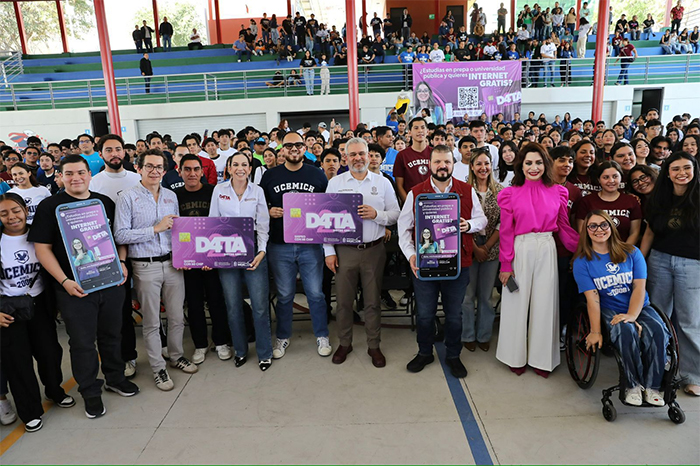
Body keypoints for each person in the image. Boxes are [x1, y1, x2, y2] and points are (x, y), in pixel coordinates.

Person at [30, 154, 139, 418]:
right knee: (82, 343)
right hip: (74, 289)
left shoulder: (104, 202)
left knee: (112, 335)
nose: (76, 178)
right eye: (69, 173)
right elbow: (42, 249)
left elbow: (118, 238)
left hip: (110, 282)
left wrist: (122, 261)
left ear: (90, 175)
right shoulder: (50, 206)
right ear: (60, 176)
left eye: (81, 172)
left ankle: (115, 378)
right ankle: (90, 392)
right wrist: (64, 281)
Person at [397, 145, 487, 378]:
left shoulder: (466, 190)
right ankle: (424, 352)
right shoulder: (416, 192)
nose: (442, 166)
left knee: (454, 314)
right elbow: (403, 228)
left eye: (446, 162)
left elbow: (482, 220)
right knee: (425, 314)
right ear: (430, 164)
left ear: (453, 164)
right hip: (425, 264)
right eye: (437, 162)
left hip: (458, 264)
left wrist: (469, 225)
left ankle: (453, 355)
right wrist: (412, 255)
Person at [115, 149, 198, 392]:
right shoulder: (127, 197)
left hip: (173, 263)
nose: (154, 171)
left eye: (159, 167)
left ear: (165, 170)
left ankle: (176, 356)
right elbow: (120, 235)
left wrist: (187, 254)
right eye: (149, 166)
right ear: (138, 168)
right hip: (145, 265)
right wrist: (155, 229)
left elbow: (179, 231)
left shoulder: (171, 196)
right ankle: (158, 368)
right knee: (151, 322)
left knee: (176, 316)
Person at [496, 143, 579, 377]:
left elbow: (564, 227)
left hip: (547, 247)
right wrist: (506, 264)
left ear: (546, 164)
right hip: (520, 247)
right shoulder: (510, 194)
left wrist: (583, 249)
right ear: (521, 166)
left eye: (539, 162)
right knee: (516, 302)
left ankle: (542, 359)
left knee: (545, 303)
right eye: (529, 163)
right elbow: (506, 232)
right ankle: (514, 356)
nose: (534, 167)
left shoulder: (558, 192)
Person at [574, 210, 669, 406]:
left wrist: (632, 315)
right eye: (593, 226)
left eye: (604, 225)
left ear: (611, 227)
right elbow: (593, 299)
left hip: (639, 305)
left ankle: (653, 386)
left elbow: (639, 287)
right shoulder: (582, 262)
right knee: (625, 330)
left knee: (658, 330)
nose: (599, 230)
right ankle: (632, 385)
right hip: (609, 308)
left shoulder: (632, 252)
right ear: (586, 230)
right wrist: (595, 331)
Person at [0, 193, 76, 433]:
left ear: (25, 210)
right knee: (18, 362)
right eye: (4, 213)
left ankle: (55, 391)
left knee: (50, 352)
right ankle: (30, 411)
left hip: (41, 304)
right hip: (8, 310)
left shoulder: (40, 234)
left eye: (16, 210)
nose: (12, 217)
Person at [324, 138, 400, 367]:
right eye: (353, 154)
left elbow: (395, 213)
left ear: (369, 156)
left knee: (373, 302)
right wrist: (329, 251)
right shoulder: (335, 183)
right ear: (345, 158)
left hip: (373, 250)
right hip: (344, 250)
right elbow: (325, 220)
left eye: (362, 154)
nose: (358, 158)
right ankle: (345, 343)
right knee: (344, 302)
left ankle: (373, 345)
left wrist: (377, 215)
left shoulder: (382, 182)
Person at [258, 131, 331, 359]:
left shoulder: (317, 174)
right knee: (285, 294)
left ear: (304, 148)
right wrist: (269, 211)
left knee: (316, 294)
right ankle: (283, 336)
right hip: (280, 244)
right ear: (282, 149)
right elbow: (259, 205)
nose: (294, 149)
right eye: (289, 146)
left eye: (298, 145)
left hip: (311, 244)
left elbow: (328, 207)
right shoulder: (270, 176)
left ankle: (322, 334)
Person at [640, 152, 700, 396]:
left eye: (686, 168)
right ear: (667, 172)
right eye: (675, 169)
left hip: (692, 263)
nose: (681, 173)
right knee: (657, 315)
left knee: (689, 320)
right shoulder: (659, 199)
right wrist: (639, 262)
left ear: (694, 170)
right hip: (659, 260)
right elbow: (650, 233)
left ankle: (693, 375)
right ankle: (657, 365)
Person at [208, 153, 271, 370]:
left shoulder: (257, 191)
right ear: (229, 168)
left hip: (253, 248)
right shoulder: (219, 190)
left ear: (250, 168)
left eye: (244, 164)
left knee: (260, 306)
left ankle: (264, 353)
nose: (240, 168)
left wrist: (261, 252)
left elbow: (263, 224)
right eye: (235, 164)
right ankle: (241, 351)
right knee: (233, 305)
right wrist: (213, 255)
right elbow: (212, 223)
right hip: (226, 249)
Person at [461, 148, 503, 352]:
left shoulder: (501, 191)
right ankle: (468, 334)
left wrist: (486, 246)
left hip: (492, 247)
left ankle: (484, 334)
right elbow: (460, 221)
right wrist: (476, 248)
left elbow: (503, 223)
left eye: (486, 163)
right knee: (467, 296)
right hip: (468, 246)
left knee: (486, 296)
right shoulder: (463, 189)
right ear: (471, 166)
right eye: (478, 163)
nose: (483, 167)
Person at [575, 161, 642, 245]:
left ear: (621, 178)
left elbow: (634, 233)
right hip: (595, 250)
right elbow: (582, 232)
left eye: (615, 176)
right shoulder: (586, 201)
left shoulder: (632, 201)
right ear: (599, 180)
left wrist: (624, 251)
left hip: (624, 250)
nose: (611, 181)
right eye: (606, 177)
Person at [393, 117, 431, 203]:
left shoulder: (435, 153)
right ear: (409, 132)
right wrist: (410, 204)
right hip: (411, 203)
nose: (420, 131)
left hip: (433, 203)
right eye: (416, 128)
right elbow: (399, 186)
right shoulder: (401, 155)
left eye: (422, 127)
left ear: (427, 131)